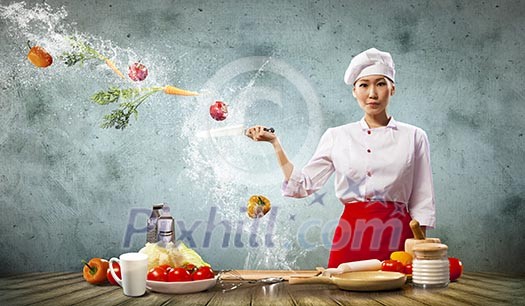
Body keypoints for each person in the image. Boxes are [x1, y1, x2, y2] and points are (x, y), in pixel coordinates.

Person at [246, 48, 436, 268]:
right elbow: (303, 185)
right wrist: (275, 144)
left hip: (399, 237)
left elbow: (423, 199)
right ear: (354, 91)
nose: (372, 93)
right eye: (364, 85)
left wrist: (419, 248)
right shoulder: (337, 136)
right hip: (351, 236)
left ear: (393, 88)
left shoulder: (414, 136)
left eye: (381, 84)